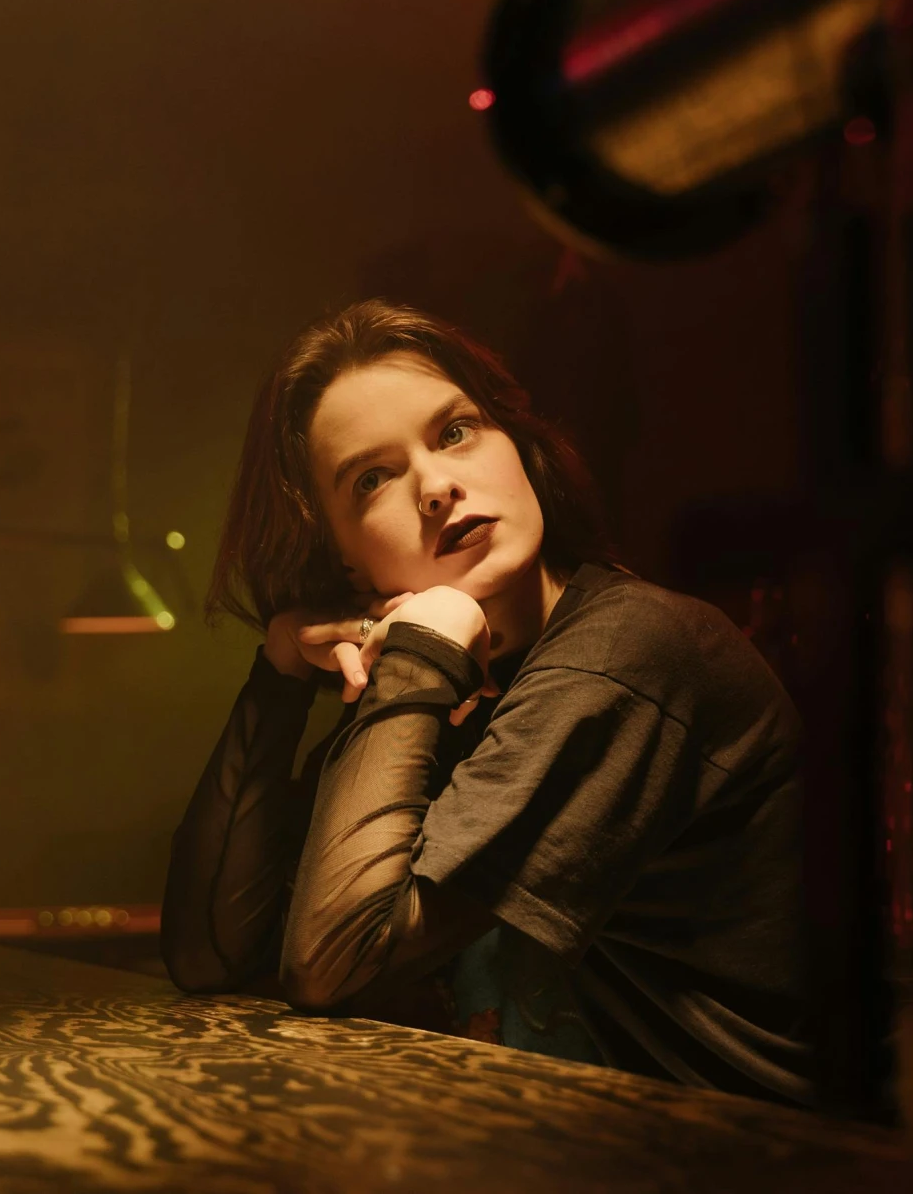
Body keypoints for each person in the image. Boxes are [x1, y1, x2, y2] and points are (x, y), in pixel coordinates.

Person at [161, 300, 814, 1106]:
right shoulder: (448, 685)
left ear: (520, 445)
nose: (436, 485)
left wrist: (421, 649)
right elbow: (207, 954)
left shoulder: (631, 650)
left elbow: (333, 957)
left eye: (455, 432)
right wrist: (279, 673)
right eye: (373, 478)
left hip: (753, 1160)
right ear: (342, 556)